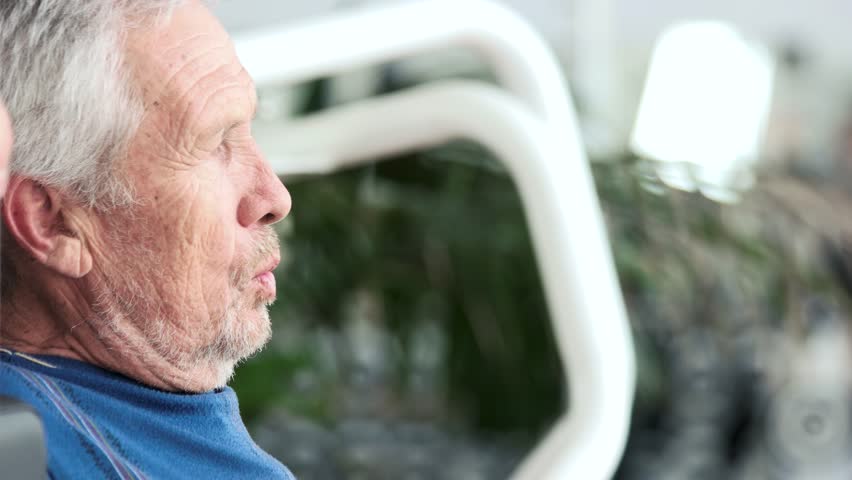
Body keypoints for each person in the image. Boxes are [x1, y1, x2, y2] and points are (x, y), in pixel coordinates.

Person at [0, 1, 295, 478]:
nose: (273, 196)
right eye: (213, 145)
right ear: (51, 223)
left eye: (245, 130)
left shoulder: (128, 416)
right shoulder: (41, 450)